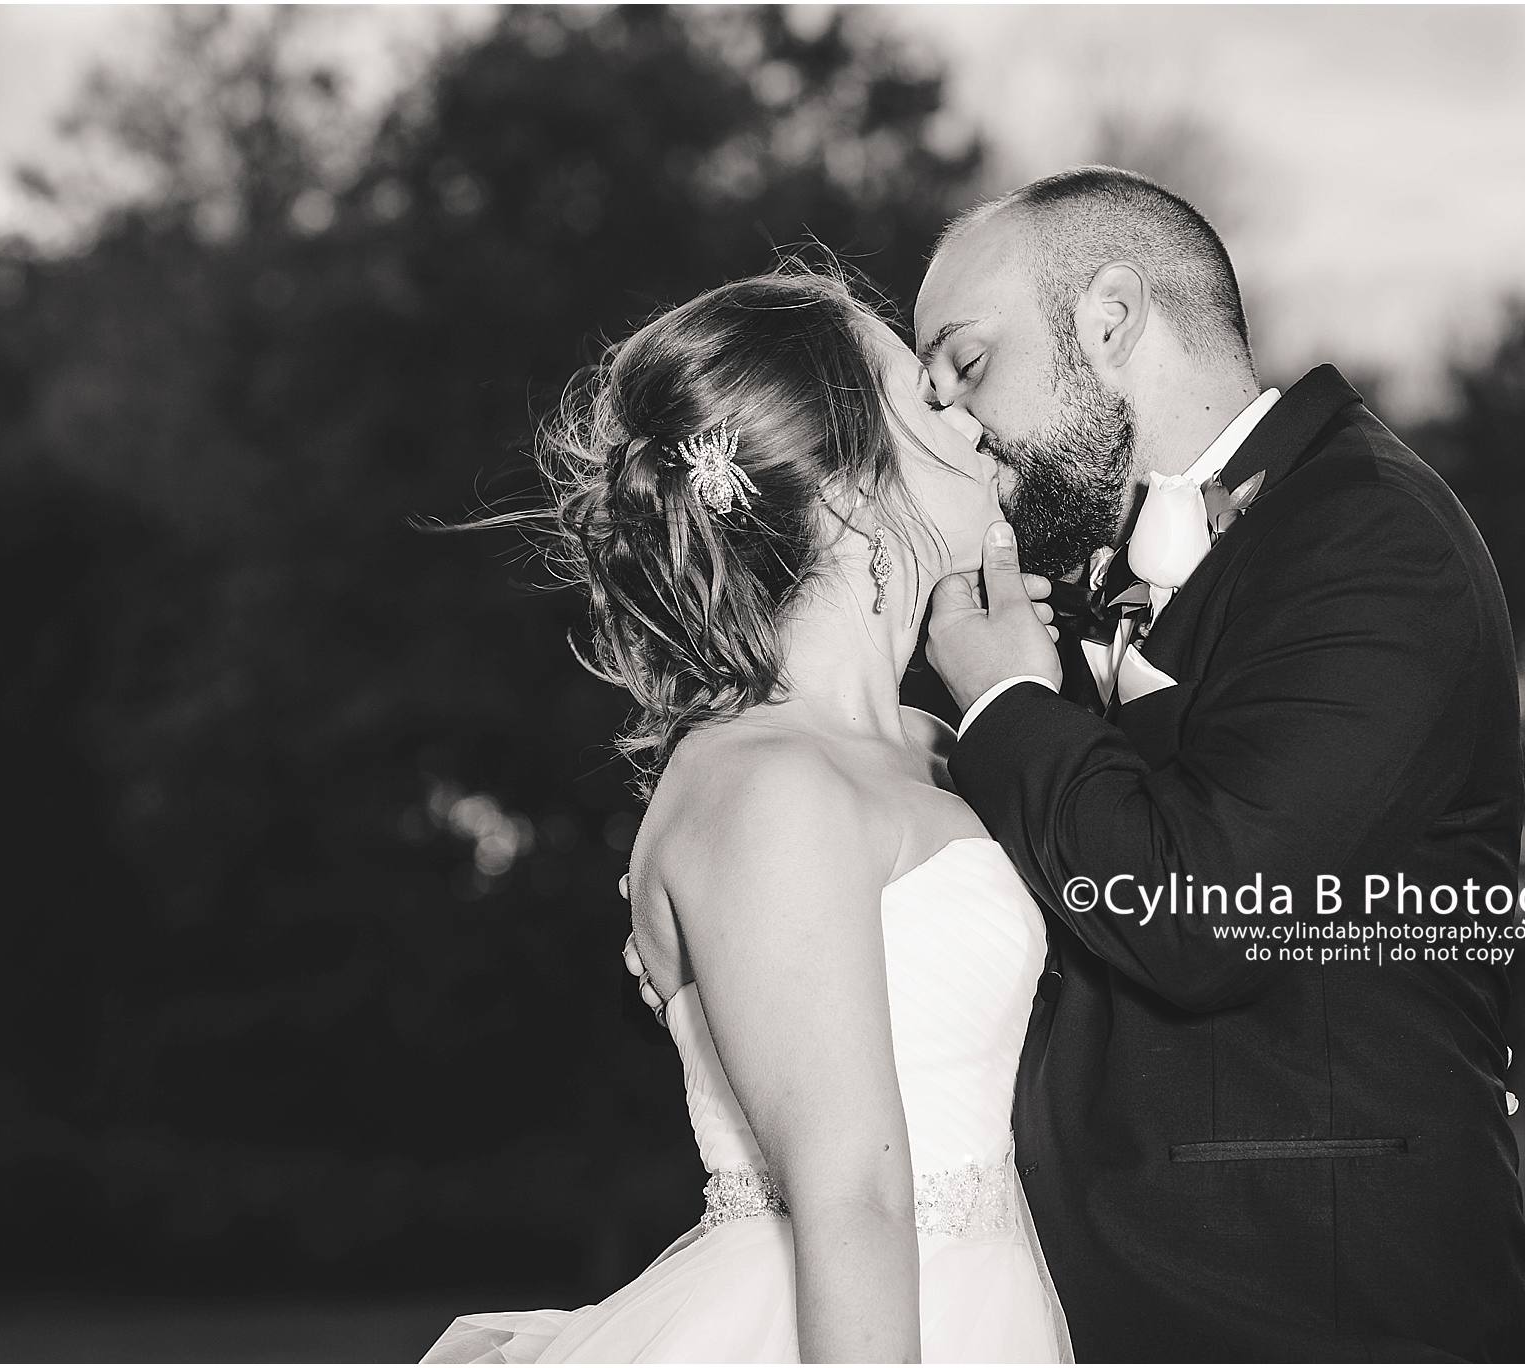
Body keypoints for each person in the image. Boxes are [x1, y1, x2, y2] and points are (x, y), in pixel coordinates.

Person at [914, 166, 1525, 1360]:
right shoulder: (1072, 577)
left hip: (1312, 1304)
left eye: (966, 363)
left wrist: (1004, 700)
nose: (952, 423)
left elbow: (1204, 910)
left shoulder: (1372, 536)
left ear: (1109, 319)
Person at [422, 269, 1073, 1363]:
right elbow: (852, 1196)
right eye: (925, 398)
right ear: (849, 493)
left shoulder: (938, 747)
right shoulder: (765, 782)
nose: (967, 417)